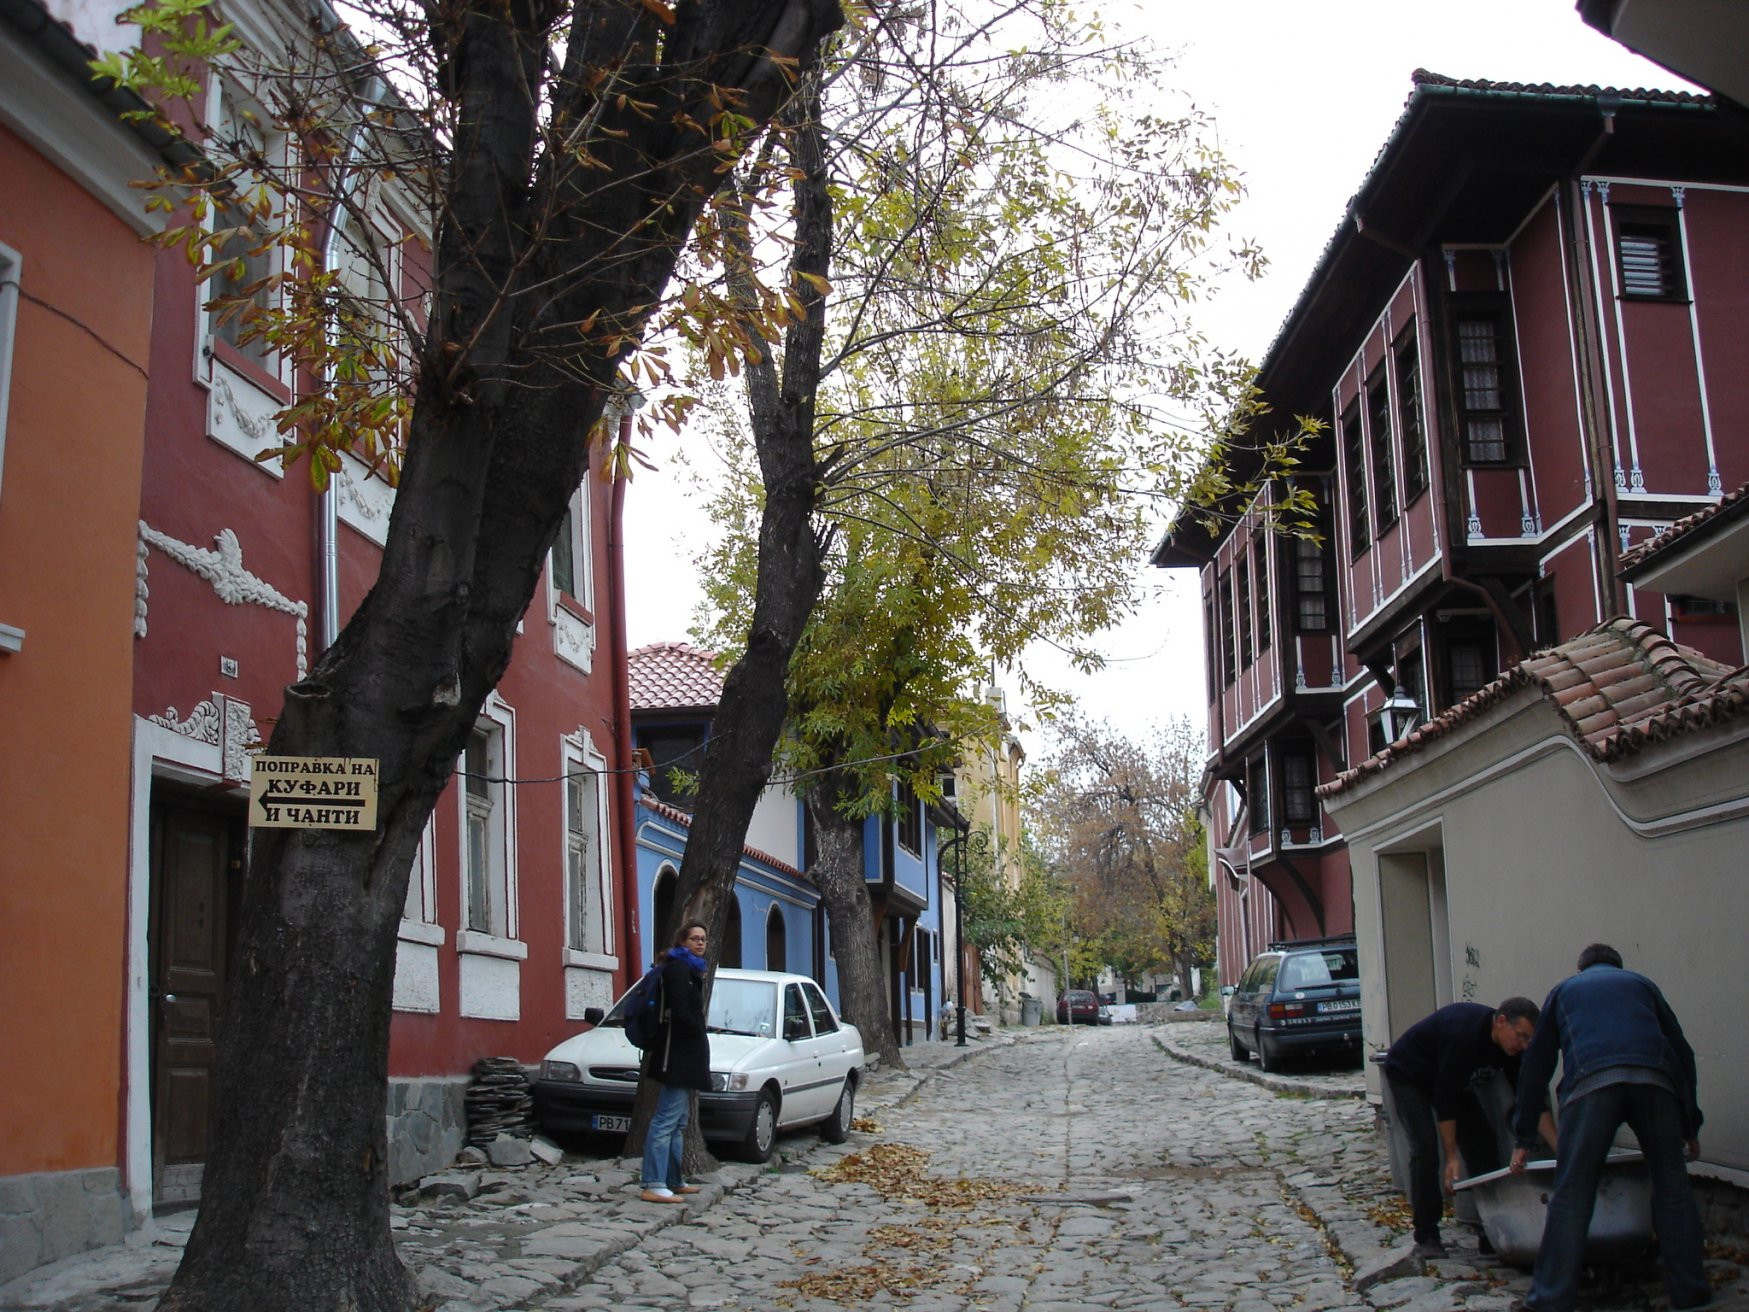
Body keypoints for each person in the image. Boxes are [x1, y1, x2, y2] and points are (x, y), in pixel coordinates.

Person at [1509, 945, 1708, 1312]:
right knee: (1672, 1184)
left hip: (1592, 1084)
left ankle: (1549, 1300)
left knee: (1572, 1192)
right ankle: (1690, 1291)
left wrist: (1524, 1137)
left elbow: (1536, 1066)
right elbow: (1683, 1053)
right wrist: (1689, 1124)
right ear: (1618, 967)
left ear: (1581, 968)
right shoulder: (1642, 985)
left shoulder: (1564, 990)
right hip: (1655, 1082)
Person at [1382, 997, 1552, 1258]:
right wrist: (1451, 1157)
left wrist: (1560, 1148)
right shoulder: (1464, 1036)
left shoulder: (1512, 1051)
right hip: (1410, 1073)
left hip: (1454, 1082)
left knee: (1483, 1146)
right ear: (1501, 1021)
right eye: (1521, 1036)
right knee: (1426, 1147)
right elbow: (1446, 1100)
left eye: (1530, 1039)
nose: (1525, 1045)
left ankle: (1490, 1230)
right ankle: (1427, 1235)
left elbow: (1530, 1099)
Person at [639, 921, 712, 1204]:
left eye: (703, 939)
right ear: (683, 942)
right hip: (677, 1055)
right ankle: (654, 1182)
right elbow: (681, 1013)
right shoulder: (678, 970)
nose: (700, 943)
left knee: (679, 1121)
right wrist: (697, 1029)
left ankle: (673, 1179)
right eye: (695, 938)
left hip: (686, 1055)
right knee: (665, 1121)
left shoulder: (691, 970)